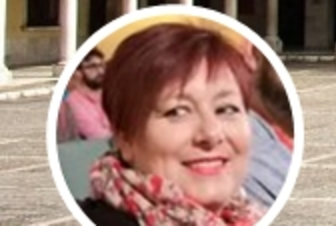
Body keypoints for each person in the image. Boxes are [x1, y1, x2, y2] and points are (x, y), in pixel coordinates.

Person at [76, 22, 265, 225]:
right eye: (177, 112)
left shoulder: (253, 214)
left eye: (226, 109)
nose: (211, 133)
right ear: (125, 140)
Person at [60, 48, 111, 142]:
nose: (101, 71)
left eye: (102, 65)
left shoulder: (108, 95)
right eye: (92, 66)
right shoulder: (72, 101)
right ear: (78, 72)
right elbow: (97, 135)